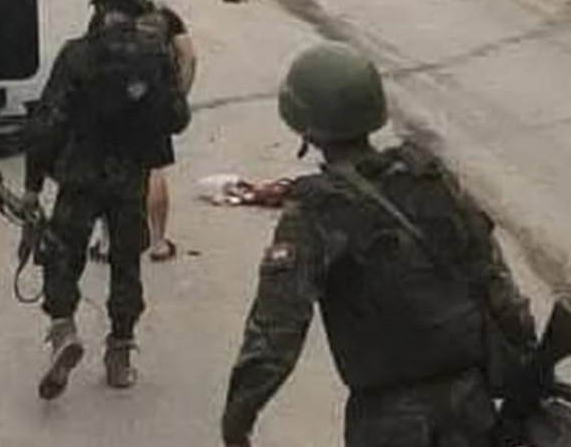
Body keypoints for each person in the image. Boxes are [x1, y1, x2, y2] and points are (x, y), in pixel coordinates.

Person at [222, 43, 536, 447]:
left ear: (306, 128)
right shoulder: (429, 179)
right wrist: (529, 358)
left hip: (389, 421)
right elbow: (492, 274)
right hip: (470, 404)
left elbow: (274, 336)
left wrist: (238, 420)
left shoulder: (316, 213)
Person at [25, 0, 188, 399]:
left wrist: (32, 184)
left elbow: (48, 123)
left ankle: (64, 331)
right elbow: (178, 118)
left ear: (98, 6)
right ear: (138, 8)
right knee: (126, 265)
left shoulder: (77, 54)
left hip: (80, 177)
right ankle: (120, 354)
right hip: (130, 181)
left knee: (62, 256)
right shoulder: (156, 56)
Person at [85, 0, 197, 264]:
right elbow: (189, 56)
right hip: (152, 103)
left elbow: (89, 62)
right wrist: (179, 95)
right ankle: (158, 242)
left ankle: (106, 241)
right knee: (153, 169)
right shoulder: (164, 15)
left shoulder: (102, 18)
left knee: (107, 170)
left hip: (111, 106)